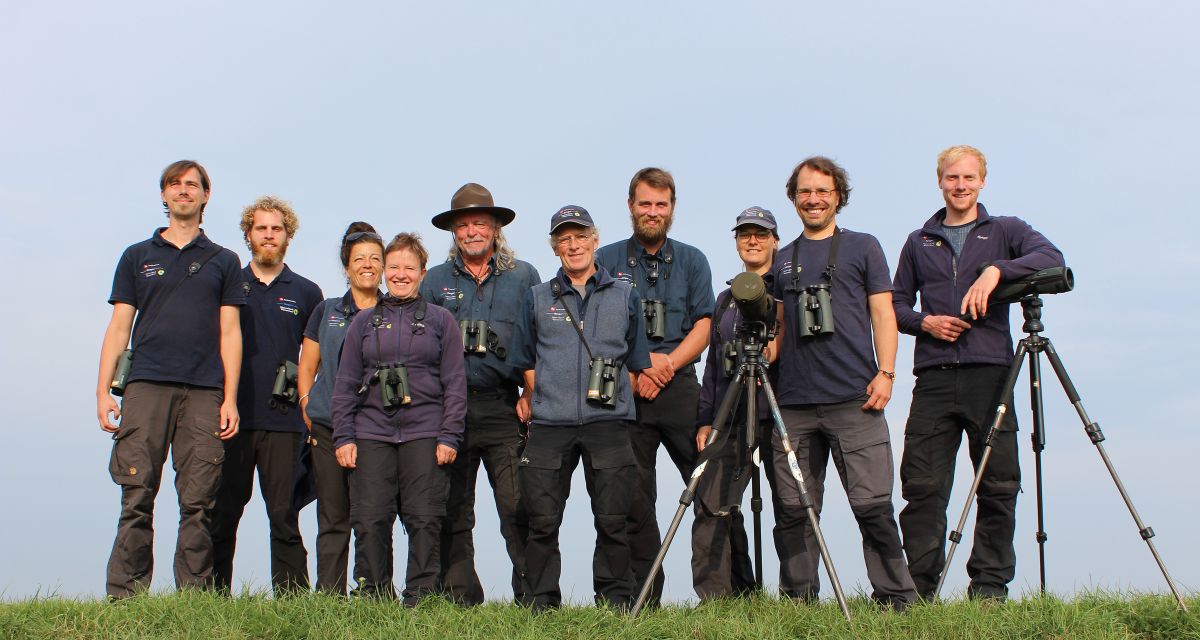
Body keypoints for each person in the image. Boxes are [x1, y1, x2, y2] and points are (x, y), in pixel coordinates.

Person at [893, 145, 1064, 601]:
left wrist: (996, 272)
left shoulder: (1005, 230)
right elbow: (896, 304)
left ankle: (989, 588)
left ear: (982, 181)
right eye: (952, 178)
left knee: (999, 483)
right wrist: (925, 323)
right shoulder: (918, 240)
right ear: (940, 182)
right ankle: (917, 592)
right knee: (923, 486)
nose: (960, 185)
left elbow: (1052, 258)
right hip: (933, 376)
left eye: (969, 177)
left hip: (991, 374)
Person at [768, 156, 917, 610]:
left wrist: (886, 373)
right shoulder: (783, 258)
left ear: (838, 197)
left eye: (822, 191)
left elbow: (883, 314)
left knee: (872, 505)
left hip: (856, 398)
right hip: (794, 403)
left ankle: (896, 599)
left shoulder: (863, 246)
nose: (813, 199)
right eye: (805, 191)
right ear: (793, 198)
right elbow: (779, 329)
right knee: (794, 511)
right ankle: (798, 604)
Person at [95, 160, 244, 598]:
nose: (183, 190)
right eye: (175, 184)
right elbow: (119, 328)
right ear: (164, 195)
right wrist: (102, 391)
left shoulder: (224, 261)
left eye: (192, 185)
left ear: (205, 195)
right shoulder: (136, 256)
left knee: (198, 501)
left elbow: (230, 333)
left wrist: (230, 398)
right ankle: (125, 595)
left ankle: (193, 597)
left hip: (204, 390)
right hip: (146, 385)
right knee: (136, 493)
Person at [509, 206, 652, 611]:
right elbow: (525, 359)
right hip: (550, 425)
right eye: (564, 239)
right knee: (541, 521)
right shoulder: (537, 297)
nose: (573, 245)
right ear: (555, 248)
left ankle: (615, 600)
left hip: (609, 424)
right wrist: (545, 394)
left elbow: (636, 362)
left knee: (613, 520)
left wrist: (616, 400)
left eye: (580, 236)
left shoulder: (625, 294)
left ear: (595, 240)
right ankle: (540, 603)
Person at [594, 167, 715, 603]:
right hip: (626, 388)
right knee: (632, 500)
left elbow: (705, 323)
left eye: (661, 204)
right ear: (630, 206)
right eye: (644, 203)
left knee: (711, 486)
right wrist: (637, 369)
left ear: (672, 208)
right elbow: (595, 326)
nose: (652, 211)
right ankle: (639, 600)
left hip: (680, 386)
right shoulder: (605, 259)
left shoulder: (693, 260)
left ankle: (726, 594)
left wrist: (665, 366)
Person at [420, 183, 541, 605]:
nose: (472, 231)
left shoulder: (523, 276)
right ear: (453, 232)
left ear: (495, 228)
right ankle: (460, 598)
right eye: (464, 225)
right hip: (449, 409)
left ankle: (533, 598)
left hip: (505, 405)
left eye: (480, 223)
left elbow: (539, 339)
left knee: (517, 506)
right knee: (453, 508)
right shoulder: (434, 281)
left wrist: (531, 391)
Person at [330, 232, 466, 605]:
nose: (401, 275)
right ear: (384, 271)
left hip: (426, 431)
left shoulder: (441, 320)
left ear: (423, 272)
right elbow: (344, 384)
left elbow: (455, 383)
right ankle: (373, 596)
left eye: (409, 267)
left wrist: (449, 436)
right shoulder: (363, 322)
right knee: (370, 518)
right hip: (371, 431)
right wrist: (343, 437)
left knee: (424, 518)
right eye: (393, 267)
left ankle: (420, 598)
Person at [209, 196, 321, 595]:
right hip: (232, 417)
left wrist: (308, 406)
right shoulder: (228, 284)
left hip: (284, 421)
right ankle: (210, 598)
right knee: (222, 514)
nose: (269, 235)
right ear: (248, 234)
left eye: (277, 229)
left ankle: (292, 601)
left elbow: (315, 359)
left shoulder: (307, 292)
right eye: (261, 228)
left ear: (288, 236)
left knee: (284, 516)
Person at [691, 207, 780, 601]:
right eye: (745, 234)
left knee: (791, 506)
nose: (752, 240)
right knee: (711, 503)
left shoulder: (786, 289)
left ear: (775, 241)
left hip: (777, 411)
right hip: (730, 413)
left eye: (761, 234)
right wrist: (706, 419)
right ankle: (716, 600)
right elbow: (713, 364)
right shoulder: (726, 299)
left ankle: (799, 595)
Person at [297, 222, 385, 596]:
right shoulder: (326, 310)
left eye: (375, 258)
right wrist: (306, 404)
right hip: (328, 427)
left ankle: (372, 594)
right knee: (332, 516)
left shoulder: (396, 311)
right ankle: (330, 595)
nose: (367, 265)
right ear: (346, 267)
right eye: (359, 259)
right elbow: (307, 366)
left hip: (376, 429)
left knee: (371, 517)